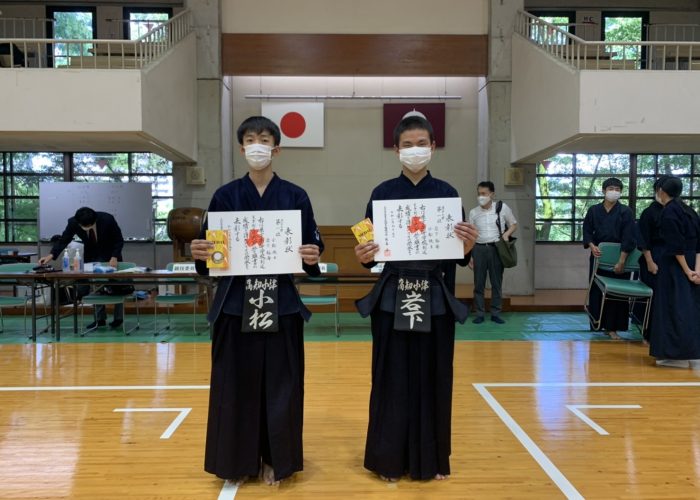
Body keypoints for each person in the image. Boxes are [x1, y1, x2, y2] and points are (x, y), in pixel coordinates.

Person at [190, 116, 323, 486]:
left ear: (276, 148)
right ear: (241, 148)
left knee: (282, 385)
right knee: (235, 385)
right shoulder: (224, 196)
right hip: (235, 304)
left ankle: (276, 461)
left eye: (264, 139)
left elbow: (313, 249)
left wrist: (312, 256)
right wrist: (198, 251)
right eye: (250, 140)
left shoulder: (295, 196)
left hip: (280, 303)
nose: (257, 146)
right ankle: (236, 461)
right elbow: (208, 259)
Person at [354, 115, 478, 482]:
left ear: (433, 147)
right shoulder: (382, 194)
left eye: (421, 143)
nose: (414, 151)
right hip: (393, 296)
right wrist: (364, 255)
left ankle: (431, 459)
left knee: (434, 377)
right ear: (396, 150)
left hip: (435, 297)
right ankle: (387, 460)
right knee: (390, 379)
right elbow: (370, 253)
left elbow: (459, 255)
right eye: (407, 145)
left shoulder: (447, 194)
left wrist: (468, 245)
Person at [38, 206, 125, 329]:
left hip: (111, 256)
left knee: (117, 286)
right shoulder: (73, 222)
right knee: (96, 286)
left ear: (95, 220)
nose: (86, 228)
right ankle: (99, 319)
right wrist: (51, 255)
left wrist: (115, 256)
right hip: (92, 256)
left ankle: (118, 318)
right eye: (84, 226)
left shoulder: (107, 219)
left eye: (89, 225)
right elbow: (64, 240)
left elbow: (119, 240)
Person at [648, 176, 700, 369]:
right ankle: (690, 352)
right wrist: (696, 271)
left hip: (675, 266)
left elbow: (675, 248)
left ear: (661, 190)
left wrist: (687, 271)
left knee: (671, 308)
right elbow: (697, 244)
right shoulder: (689, 211)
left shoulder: (669, 212)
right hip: (693, 263)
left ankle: (672, 355)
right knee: (688, 308)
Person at [582, 177, 636, 340]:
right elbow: (586, 231)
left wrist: (622, 260)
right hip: (599, 255)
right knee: (597, 290)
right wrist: (592, 246)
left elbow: (629, 237)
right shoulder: (593, 210)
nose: (614, 191)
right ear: (604, 190)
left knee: (617, 293)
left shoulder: (626, 211)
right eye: (611, 188)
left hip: (620, 257)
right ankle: (597, 323)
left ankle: (613, 328)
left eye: (618, 189)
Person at [468, 181, 518, 324]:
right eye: (479, 193)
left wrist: (506, 234)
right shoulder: (473, 212)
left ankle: (496, 313)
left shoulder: (502, 208)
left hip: (497, 248)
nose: (481, 196)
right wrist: (470, 255)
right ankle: (479, 313)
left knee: (497, 282)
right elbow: (471, 236)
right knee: (478, 283)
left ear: (492, 194)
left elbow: (513, 224)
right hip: (478, 249)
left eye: (484, 194)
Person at [634, 176, 668, 342]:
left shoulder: (681, 211)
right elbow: (643, 239)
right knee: (654, 297)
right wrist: (649, 261)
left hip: (674, 259)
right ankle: (648, 333)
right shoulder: (649, 212)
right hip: (653, 257)